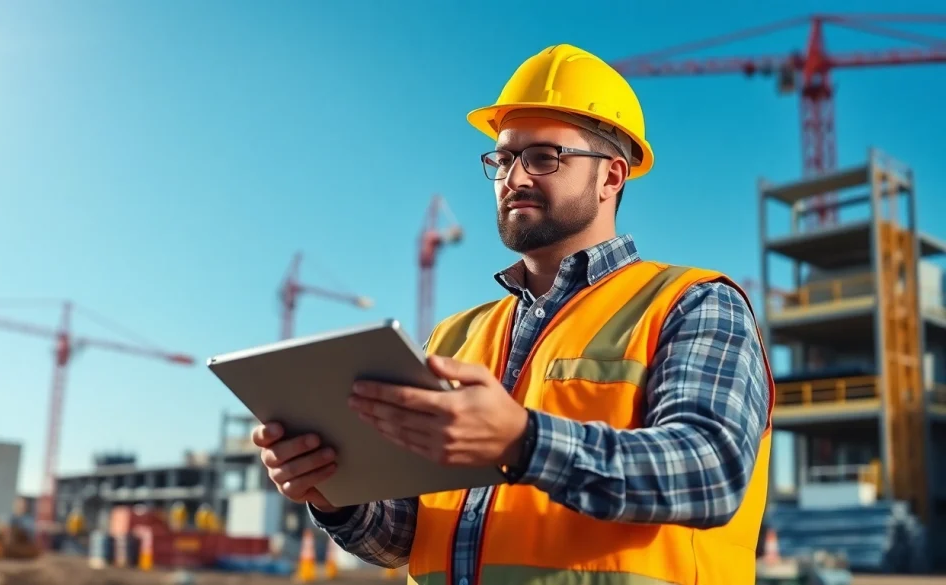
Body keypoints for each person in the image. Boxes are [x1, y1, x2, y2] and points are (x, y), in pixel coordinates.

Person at [252, 43, 776, 585]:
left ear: (611, 178)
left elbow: (711, 473)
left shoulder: (693, 303)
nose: (514, 178)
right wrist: (336, 494)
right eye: (503, 159)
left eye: (544, 157)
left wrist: (522, 442)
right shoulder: (454, 336)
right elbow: (406, 538)